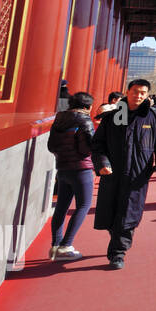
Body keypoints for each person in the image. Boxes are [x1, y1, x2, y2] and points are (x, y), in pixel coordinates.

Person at [90, 79, 156, 270]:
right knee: (110, 212)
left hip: (137, 175)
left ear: (147, 95)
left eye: (143, 92)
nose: (139, 96)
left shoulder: (153, 117)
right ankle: (117, 239)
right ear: (128, 92)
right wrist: (102, 163)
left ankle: (118, 253)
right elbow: (97, 144)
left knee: (128, 213)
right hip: (112, 173)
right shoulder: (112, 117)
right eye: (135, 91)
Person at [46, 91, 96, 261]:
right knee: (83, 206)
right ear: (87, 106)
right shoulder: (85, 119)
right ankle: (66, 245)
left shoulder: (59, 118)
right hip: (81, 169)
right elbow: (88, 146)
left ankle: (55, 245)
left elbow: (51, 146)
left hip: (63, 168)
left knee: (61, 207)